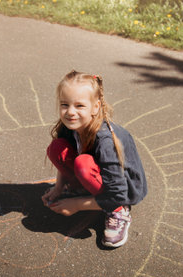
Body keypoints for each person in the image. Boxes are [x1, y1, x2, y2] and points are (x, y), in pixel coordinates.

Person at [42, 70, 147, 247]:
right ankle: (85, 190)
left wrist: (76, 204)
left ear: (96, 107)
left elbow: (118, 193)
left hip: (122, 191)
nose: (70, 112)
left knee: (83, 164)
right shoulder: (70, 126)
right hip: (99, 176)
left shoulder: (106, 141)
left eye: (79, 106)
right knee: (57, 148)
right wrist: (59, 187)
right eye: (64, 104)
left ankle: (119, 212)